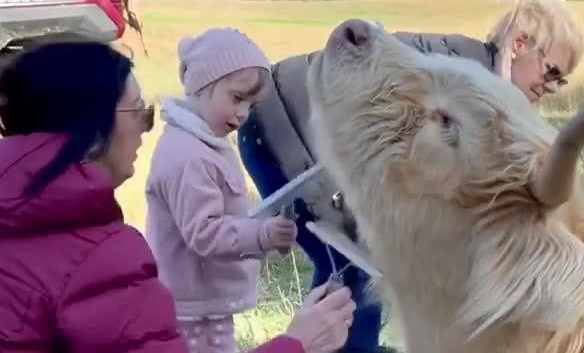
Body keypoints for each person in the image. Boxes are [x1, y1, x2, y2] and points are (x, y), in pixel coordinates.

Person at [236, 0, 584, 352]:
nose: (550, 87)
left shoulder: (471, 76)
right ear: (520, 45)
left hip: (282, 120)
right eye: (551, 71)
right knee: (356, 263)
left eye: (561, 82)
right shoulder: (464, 77)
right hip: (283, 127)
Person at [0, 40, 355, 353]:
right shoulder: (97, 258)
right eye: (141, 113)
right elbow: (205, 231)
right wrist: (297, 343)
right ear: (92, 128)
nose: (144, 129)